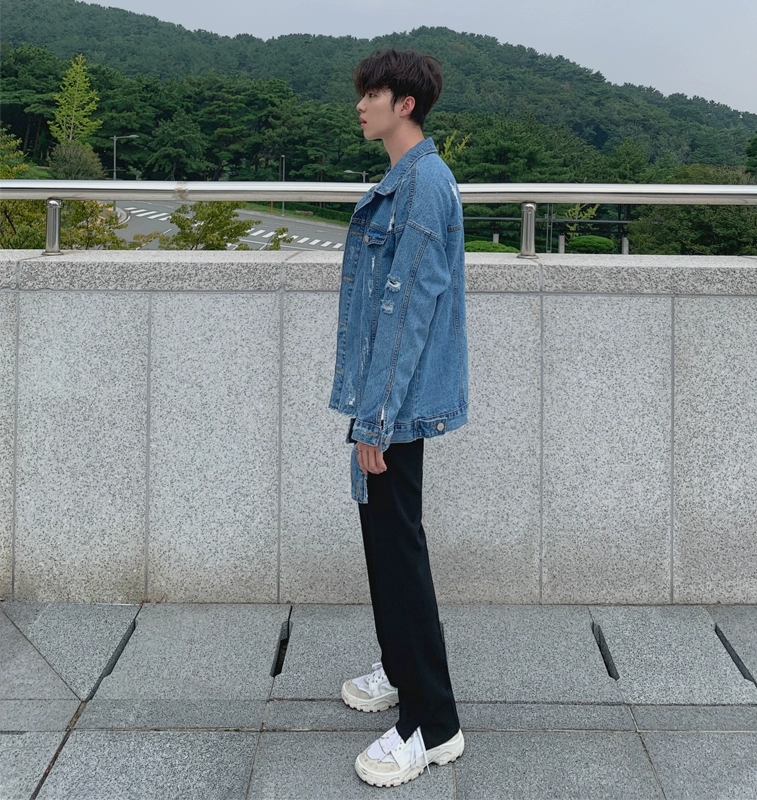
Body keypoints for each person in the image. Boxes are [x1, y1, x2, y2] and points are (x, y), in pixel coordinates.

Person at [328, 47, 469, 788]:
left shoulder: (422, 187)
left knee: (398, 548)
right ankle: (399, 665)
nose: (361, 105)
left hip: (397, 404)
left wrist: (376, 420)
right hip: (386, 397)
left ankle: (433, 723)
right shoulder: (405, 179)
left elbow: (406, 308)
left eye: (372, 94)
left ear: (404, 104)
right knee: (386, 541)